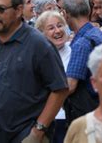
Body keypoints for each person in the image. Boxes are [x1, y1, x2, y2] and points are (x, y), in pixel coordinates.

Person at [0, 0, 68, 142]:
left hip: (24, 136)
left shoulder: (39, 44)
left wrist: (38, 131)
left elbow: (59, 89)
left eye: (0, 9)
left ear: (18, 10)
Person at [62, 0, 102, 123]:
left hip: (88, 114)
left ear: (66, 14)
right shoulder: (100, 35)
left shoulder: (82, 43)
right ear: (89, 10)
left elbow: (71, 85)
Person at [35, 11, 71, 143]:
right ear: (41, 33)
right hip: (45, 121)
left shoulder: (75, 50)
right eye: (51, 28)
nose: (57, 31)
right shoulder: (37, 56)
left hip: (69, 119)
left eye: (60, 25)